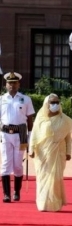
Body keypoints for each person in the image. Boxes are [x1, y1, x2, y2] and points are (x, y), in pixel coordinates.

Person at [28, 94, 72, 212]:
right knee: (42, 177)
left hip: (58, 153)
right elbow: (34, 135)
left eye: (57, 102)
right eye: (52, 102)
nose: (55, 105)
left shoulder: (64, 120)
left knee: (55, 178)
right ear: (47, 104)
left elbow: (68, 138)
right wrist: (31, 149)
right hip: (42, 154)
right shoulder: (40, 119)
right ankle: (42, 203)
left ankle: (55, 204)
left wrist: (68, 152)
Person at [1, 72, 35, 203]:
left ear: (19, 84)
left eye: (14, 83)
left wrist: (30, 137)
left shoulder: (25, 99)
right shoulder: (1, 99)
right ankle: (6, 194)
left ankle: (16, 191)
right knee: (5, 164)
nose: (12, 85)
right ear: (6, 85)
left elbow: (30, 120)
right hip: (5, 134)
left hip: (21, 134)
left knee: (17, 165)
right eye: (10, 83)